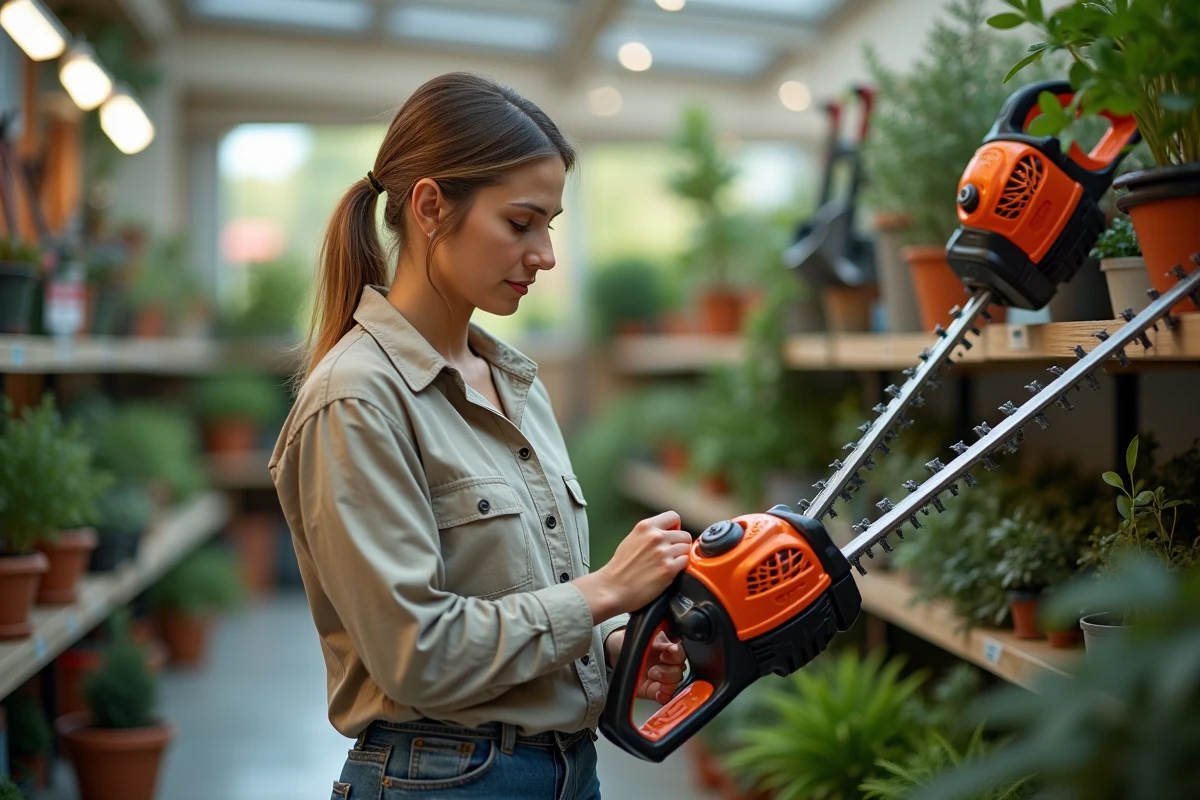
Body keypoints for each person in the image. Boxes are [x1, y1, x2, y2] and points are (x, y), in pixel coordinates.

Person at [269, 72, 695, 800]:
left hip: (567, 769)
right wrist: (604, 593)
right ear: (432, 206)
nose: (545, 255)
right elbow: (415, 652)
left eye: (550, 227)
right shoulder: (357, 398)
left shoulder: (514, 384)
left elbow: (512, 598)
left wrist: (608, 646)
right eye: (521, 223)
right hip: (443, 779)